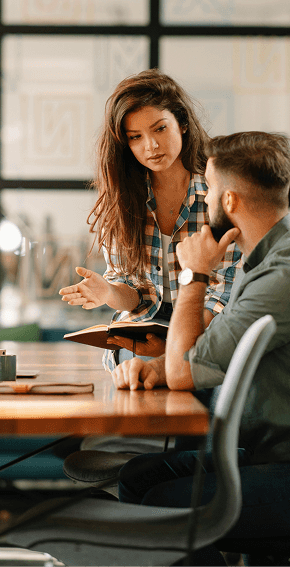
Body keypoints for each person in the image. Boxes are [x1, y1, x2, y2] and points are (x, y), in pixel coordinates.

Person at [112, 131, 290, 562]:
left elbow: (186, 371)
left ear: (231, 202)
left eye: (210, 190)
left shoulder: (287, 275)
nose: (203, 202)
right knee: (139, 478)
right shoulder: (269, 254)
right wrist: (163, 365)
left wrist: (194, 274)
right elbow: (208, 354)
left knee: (163, 506)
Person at [60, 69, 242, 366]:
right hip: (141, 330)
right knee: (131, 369)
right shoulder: (122, 202)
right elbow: (135, 296)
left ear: (182, 124)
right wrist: (108, 292)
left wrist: (173, 348)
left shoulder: (217, 197)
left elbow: (220, 295)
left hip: (204, 326)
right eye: (136, 137)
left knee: (188, 372)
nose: (151, 146)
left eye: (160, 129)